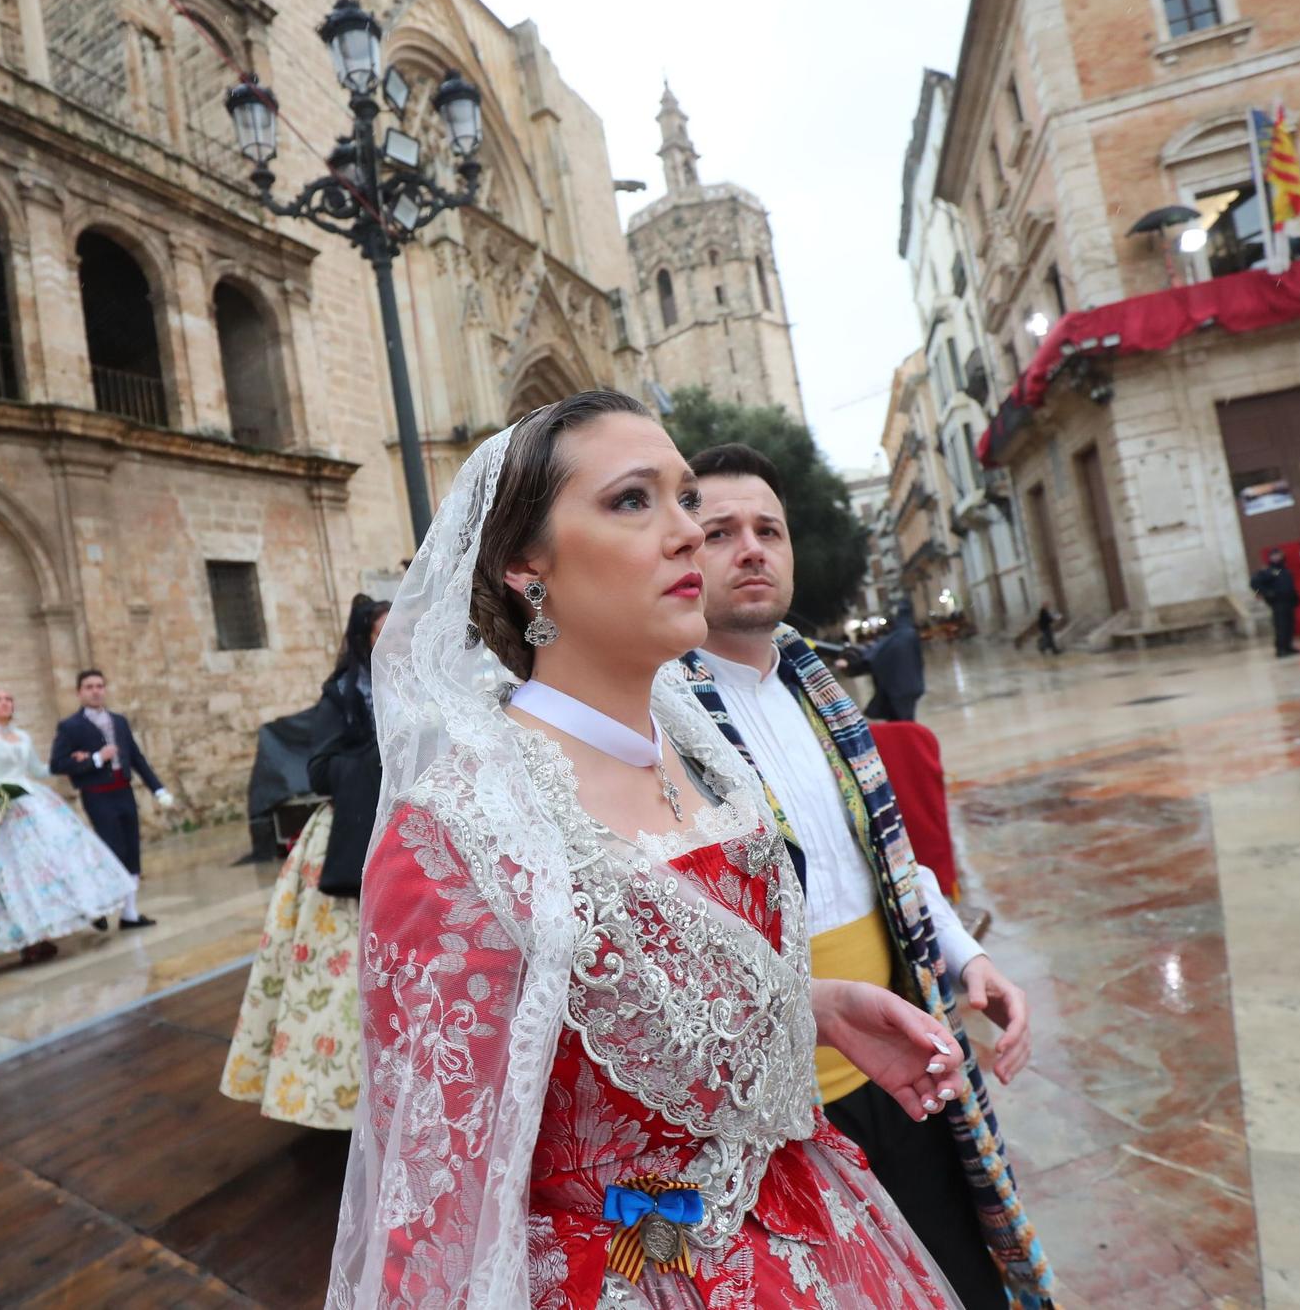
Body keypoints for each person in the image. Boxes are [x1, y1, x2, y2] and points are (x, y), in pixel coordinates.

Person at [329, 392, 967, 1308]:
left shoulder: (707, 762)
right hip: (639, 1271)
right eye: (634, 500)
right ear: (525, 566)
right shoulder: (462, 833)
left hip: (819, 1225)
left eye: (684, 497)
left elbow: (644, 999)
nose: (688, 534)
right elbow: (436, 1199)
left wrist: (810, 1006)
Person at [682, 442, 1054, 1310]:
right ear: (679, 551)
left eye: (768, 529)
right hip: (785, 1102)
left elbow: (883, 861)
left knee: (964, 1282)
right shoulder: (661, 717)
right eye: (721, 531)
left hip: (908, 1071)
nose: (751, 549)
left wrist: (967, 962)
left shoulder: (823, 693)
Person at [222, 596, 389, 1129]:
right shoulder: (343, 692)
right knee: (343, 981)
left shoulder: (433, 681)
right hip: (352, 837)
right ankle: (338, 1095)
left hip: (417, 827)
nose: (393, 640)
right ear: (364, 639)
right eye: (382, 632)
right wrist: (382, 756)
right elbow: (318, 768)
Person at [0, 689, 136, 966]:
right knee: (11, 875)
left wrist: (73, 761)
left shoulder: (23, 736)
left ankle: (83, 906)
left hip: (31, 802)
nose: (6, 703)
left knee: (56, 859)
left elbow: (39, 770)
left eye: (9, 698)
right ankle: (31, 939)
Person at [49, 670, 173, 930]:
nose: (95, 691)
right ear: (79, 692)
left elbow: (136, 757)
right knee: (110, 850)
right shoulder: (70, 726)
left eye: (99, 686)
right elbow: (57, 764)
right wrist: (96, 759)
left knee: (131, 849)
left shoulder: (119, 721)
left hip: (123, 790)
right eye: (89, 687)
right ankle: (98, 906)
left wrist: (157, 789)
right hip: (97, 794)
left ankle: (129, 913)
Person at [858, 610, 927, 721]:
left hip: (898, 689)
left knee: (901, 722)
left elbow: (874, 656)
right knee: (906, 720)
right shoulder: (909, 634)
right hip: (910, 686)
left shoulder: (897, 637)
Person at [1251, 546, 1300, 658]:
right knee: (1281, 626)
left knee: (1290, 625)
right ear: (1270, 558)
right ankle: (1281, 649)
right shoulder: (1268, 571)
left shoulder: (1285, 570)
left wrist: (1295, 598)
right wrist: (1265, 593)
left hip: (1289, 602)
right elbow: (1254, 584)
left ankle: (1288, 646)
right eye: (1274, 555)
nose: (1277, 557)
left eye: (1278, 554)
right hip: (1278, 602)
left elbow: (1289, 586)